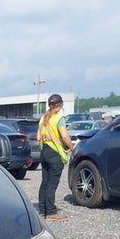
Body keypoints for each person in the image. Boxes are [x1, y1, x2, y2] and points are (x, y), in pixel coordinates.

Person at [36, 93, 74, 221]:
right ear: (60, 105)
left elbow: (38, 138)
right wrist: (71, 146)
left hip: (44, 152)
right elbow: (64, 136)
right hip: (55, 154)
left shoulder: (43, 119)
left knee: (45, 183)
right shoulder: (58, 118)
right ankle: (52, 212)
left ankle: (42, 210)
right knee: (52, 184)